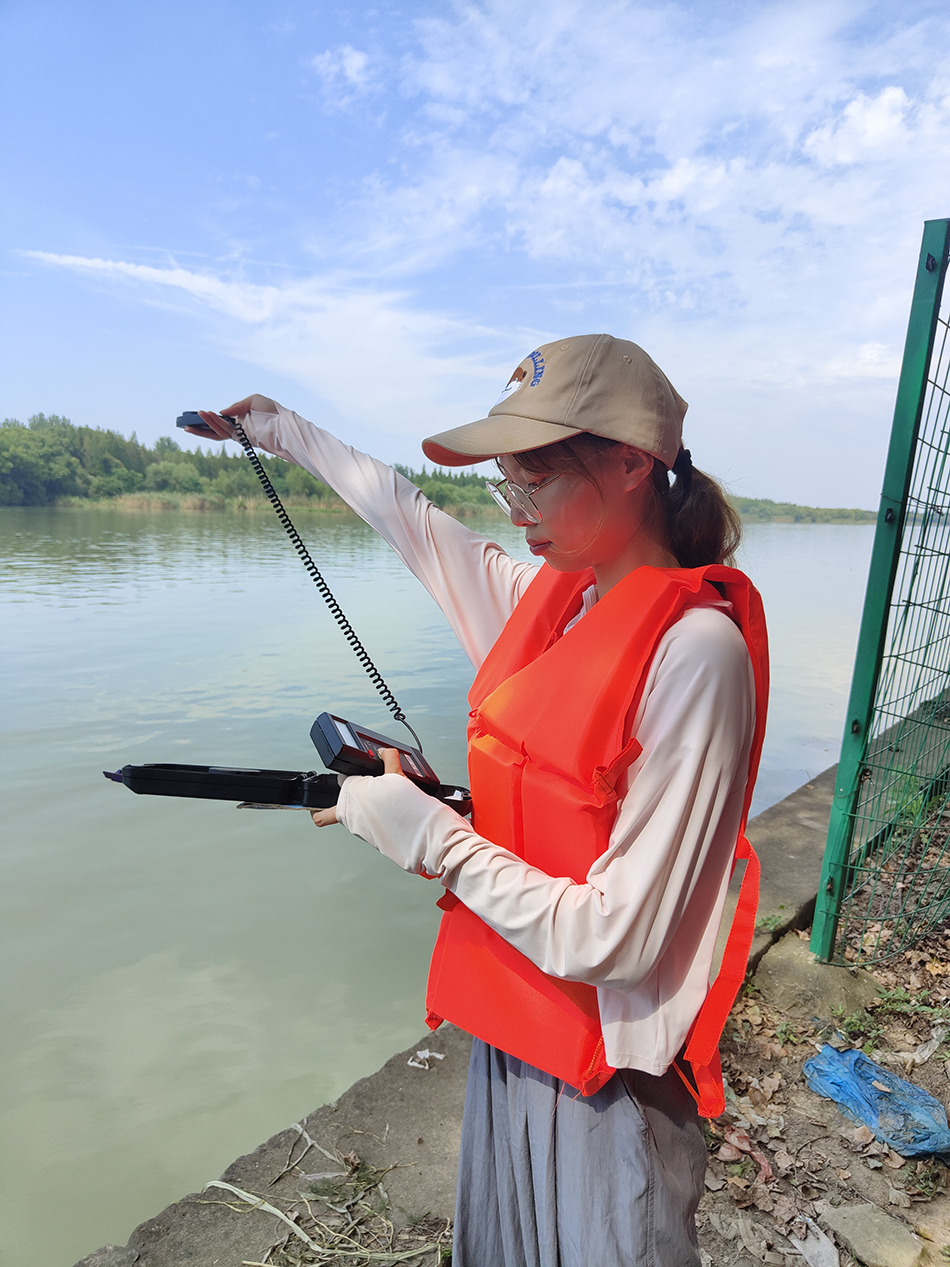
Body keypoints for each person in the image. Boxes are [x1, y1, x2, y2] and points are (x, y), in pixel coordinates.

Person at [191, 333, 768, 1267]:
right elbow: (414, 521)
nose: (519, 508)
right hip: (514, 1033)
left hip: (607, 1077)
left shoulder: (698, 654)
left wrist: (437, 842)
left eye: (534, 480)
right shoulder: (553, 600)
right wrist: (278, 428)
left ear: (629, 463)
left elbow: (616, 940)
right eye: (507, 485)